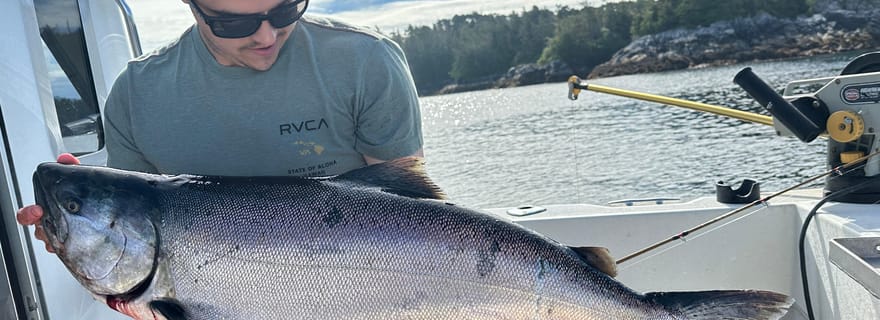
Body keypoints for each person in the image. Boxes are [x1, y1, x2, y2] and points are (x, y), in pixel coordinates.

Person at [17, 0, 424, 251]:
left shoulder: (367, 62)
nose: (267, 36)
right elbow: (132, 243)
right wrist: (77, 226)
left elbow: (415, 214)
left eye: (285, 10)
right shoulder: (135, 95)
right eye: (234, 24)